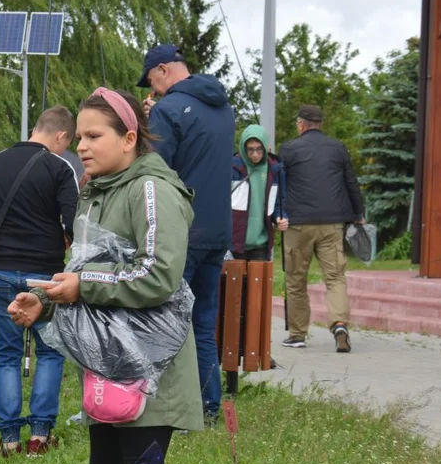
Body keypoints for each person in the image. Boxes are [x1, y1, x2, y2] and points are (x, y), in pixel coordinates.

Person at [8, 88, 201, 464]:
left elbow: (158, 274)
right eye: (80, 137)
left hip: (151, 365)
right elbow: (83, 270)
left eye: (94, 136)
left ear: (129, 137)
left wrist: (83, 285)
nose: (82, 147)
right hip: (107, 362)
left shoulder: (153, 190)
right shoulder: (95, 191)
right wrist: (44, 302)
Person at [0, 105, 79, 456]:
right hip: (44, 275)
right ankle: (40, 436)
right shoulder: (60, 168)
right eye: (68, 143)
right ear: (61, 135)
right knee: (50, 351)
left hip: (0, 271)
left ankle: (9, 440)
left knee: (5, 355)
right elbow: (75, 223)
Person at [139, 43, 235, 424]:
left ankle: (171, 410)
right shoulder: (223, 106)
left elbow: (156, 170)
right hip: (218, 232)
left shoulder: (168, 109)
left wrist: (152, 125)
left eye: (152, 80)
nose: (153, 89)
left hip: (182, 231)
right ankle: (210, 406)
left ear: (163, 70)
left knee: (166, 320)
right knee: (204, 324)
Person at [278, 104, 364, 353]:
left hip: (297, 224)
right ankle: (339, 325)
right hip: (332, 224)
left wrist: (276, 215)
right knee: (335, 277)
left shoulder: (289, 149)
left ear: (301, 125)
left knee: (296, 280)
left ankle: (297, 334)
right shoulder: (338, 148)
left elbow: (279, 184)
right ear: (320, 124)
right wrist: (358, 214)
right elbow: (351, 182)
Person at [231, 124, 288, 260]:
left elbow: (279, 202)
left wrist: (280, 218)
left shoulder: (275, 169)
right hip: (234, 242)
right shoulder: (231, 167)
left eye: (259, 149)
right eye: (250, 149)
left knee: (258, 274)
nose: (255, 154)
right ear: (243, 148)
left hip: (261, 243)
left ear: (265, 147)